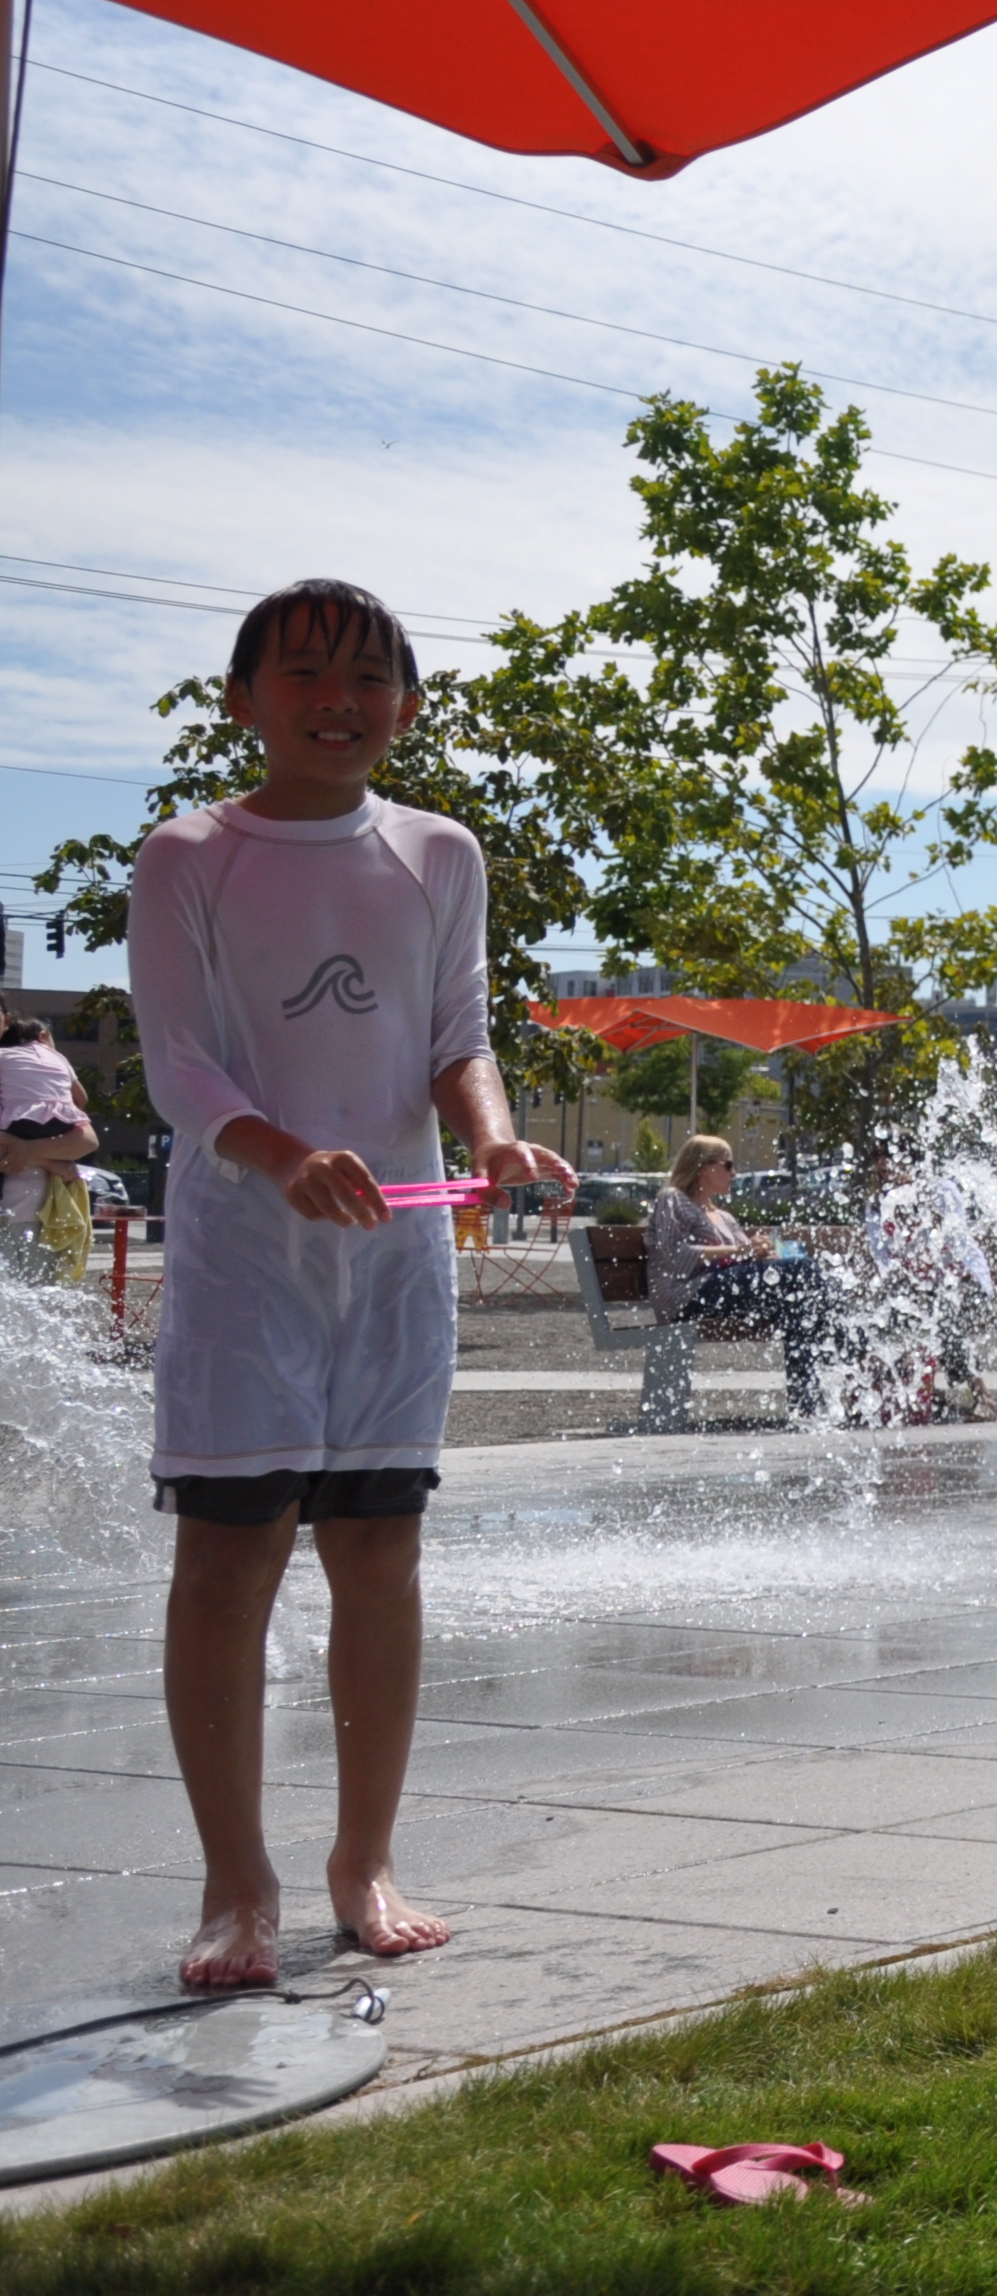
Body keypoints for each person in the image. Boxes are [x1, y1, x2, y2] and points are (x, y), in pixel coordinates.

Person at [126, 578, 575, 1989]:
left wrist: (493, 1139)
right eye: (306, 675)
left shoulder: (439, 852)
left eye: (370, 677)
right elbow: (179, 1062)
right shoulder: (188, 854)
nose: (340, 701)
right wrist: (282, 1155)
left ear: (410, 706)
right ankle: (235, 1883)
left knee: (379, 1553)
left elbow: (457, 1035)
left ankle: (364, 1859)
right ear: (241, 701)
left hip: (393, 1262)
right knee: (228, 1559)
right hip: (243, 1258)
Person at [650, 1134, 831, 1417]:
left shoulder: (723, 1216)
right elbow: (673, 1254)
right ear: (705, 1168)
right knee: (804, 1272)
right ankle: (857, 1357)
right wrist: (739, 1250)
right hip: (686, 1296)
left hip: (722, 1291)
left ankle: (806, 1407)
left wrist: (762, 1252)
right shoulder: (672, 1199)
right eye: (728, 1165)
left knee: (801, 1305)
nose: (734, 1173)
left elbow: (746, 1259)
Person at [0, 1012, 97, 1247]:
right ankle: (52, 1163)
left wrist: (28, 1151)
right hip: (61, 1119)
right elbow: (82, 1101)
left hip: (31, 1210)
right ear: (43, 1036)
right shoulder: (58, 1058)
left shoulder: (4, 1058)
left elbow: (88, 1141)